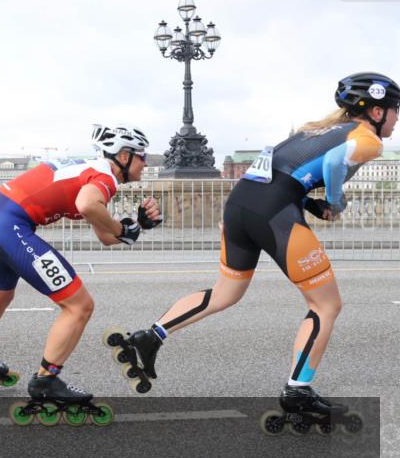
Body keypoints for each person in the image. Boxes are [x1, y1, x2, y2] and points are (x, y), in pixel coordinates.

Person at [107, 72, 396, 434]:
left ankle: (150, 337)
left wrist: (311, 204)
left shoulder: (312, 131)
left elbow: (280, 175)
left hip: (240, 206)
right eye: (395, 110)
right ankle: (298, 392)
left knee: (225, 293)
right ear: (376, 111)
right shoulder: (367, 139)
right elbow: (336, 163)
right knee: (326, 305)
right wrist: (335, 202)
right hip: (273, 215)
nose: (396, 118)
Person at [0, 124, 162, 426]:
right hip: (11, 223)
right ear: (124, 157)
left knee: (0, 296)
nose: (146, 163)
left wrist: (135, 227)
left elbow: (106, 235)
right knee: (80, 306)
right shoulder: (104, 178)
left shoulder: (94, 172)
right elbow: (87, 205)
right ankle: (46, 381)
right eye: (142, 156)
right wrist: (121, 228)